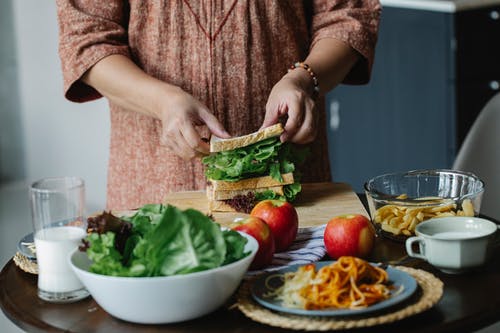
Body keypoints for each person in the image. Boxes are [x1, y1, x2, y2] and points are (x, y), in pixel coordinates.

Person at [56, 1, 381, 210]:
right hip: (156, 185)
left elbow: (347, 17)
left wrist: (305, 78)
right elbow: (87, 40)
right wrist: (162, 102)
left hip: (287, 185)